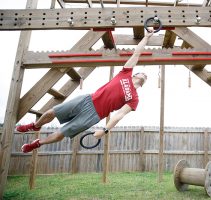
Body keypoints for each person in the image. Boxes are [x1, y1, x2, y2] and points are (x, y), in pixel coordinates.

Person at [17, 29, 154, 153]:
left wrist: (105, 130)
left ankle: (37, 143)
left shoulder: (134, 99)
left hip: (94, 115)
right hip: (87, 100)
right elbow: (137, 53)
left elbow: (119, 115)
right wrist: (147, 37)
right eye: (142, 73)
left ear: (142, 84)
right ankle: (35, 126)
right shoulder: (125, 73)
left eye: (146, 77)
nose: (144, 75)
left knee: (61, 133)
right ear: (135, 75)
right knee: (51, 112)